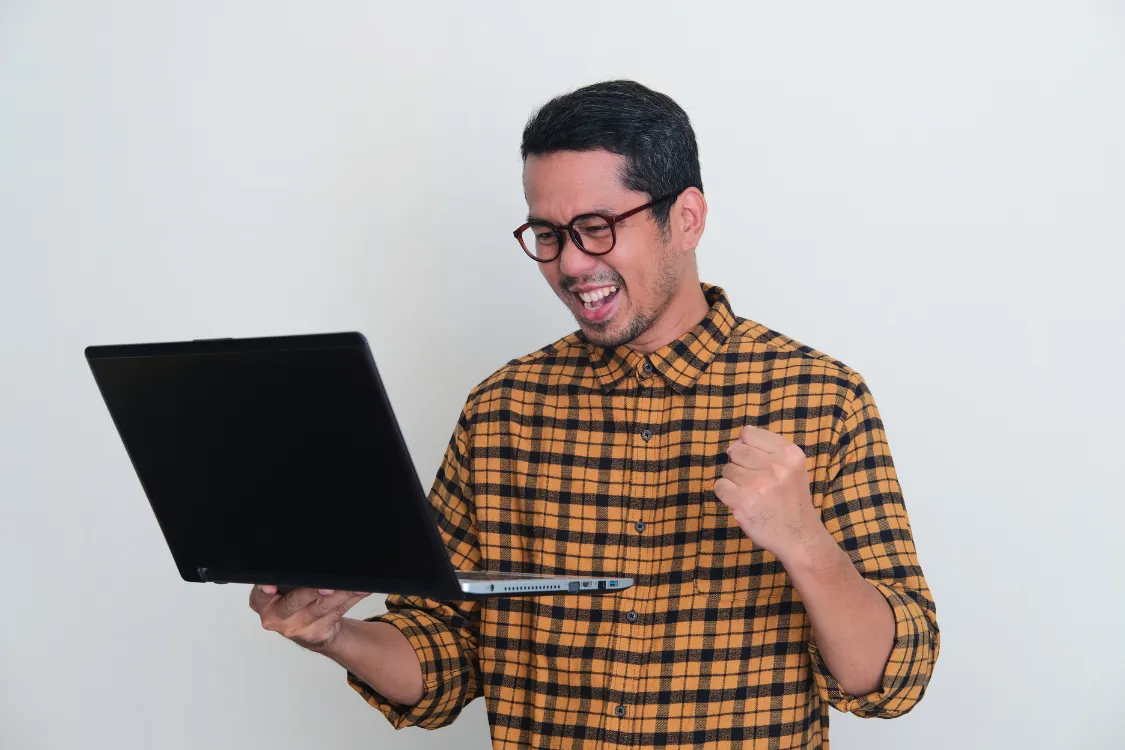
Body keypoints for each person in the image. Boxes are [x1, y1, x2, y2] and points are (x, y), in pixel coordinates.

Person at [249, 80, 940, 748]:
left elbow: (888, 680)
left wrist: (803, 542)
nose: (571, 263)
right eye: (547, 234)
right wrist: (331, 633)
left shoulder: (821, 399)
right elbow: (443, 657)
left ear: (686, 218)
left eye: (597, 228)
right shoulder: (502, 411)